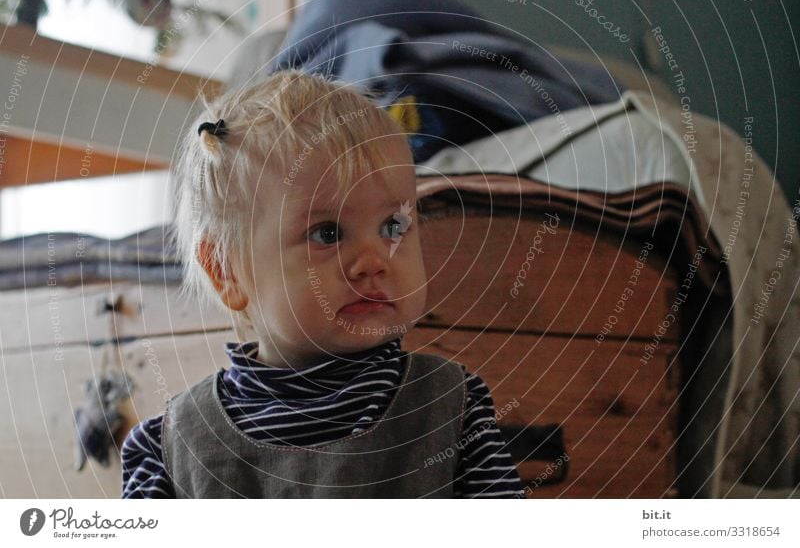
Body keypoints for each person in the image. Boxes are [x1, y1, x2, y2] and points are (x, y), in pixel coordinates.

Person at [121, 70, 524, 498]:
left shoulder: (450, 407)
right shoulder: (172, 448)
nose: (373, 261)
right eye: (327, 234)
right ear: (228, 272)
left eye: (393, 225)